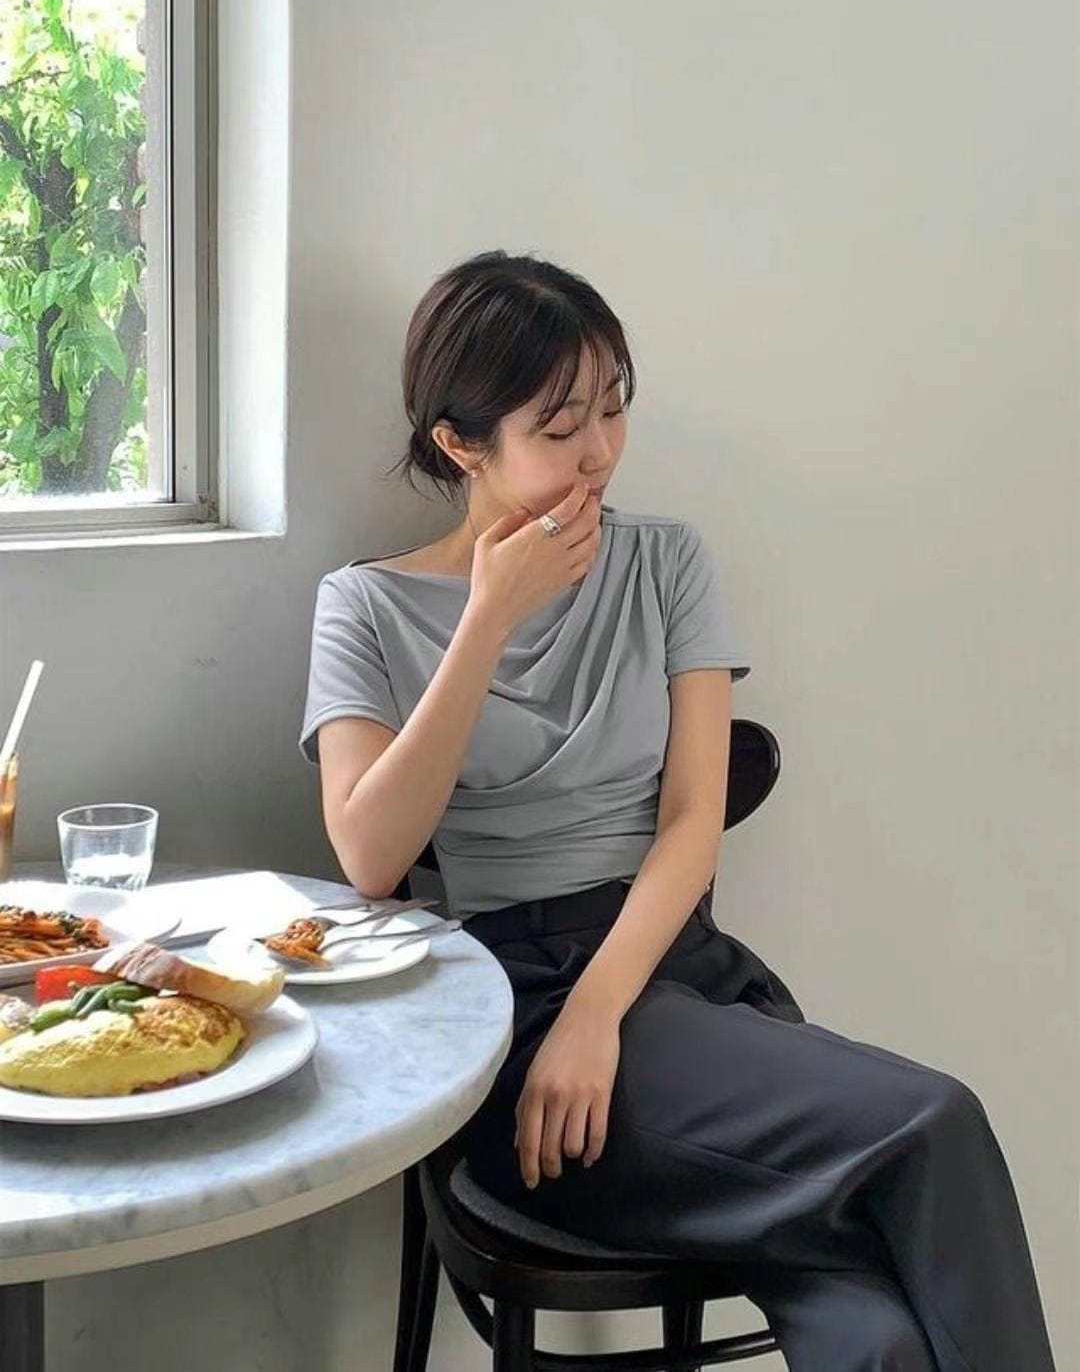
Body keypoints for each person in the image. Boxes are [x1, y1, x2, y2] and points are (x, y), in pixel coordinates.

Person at [299, 249, 1057, 1371]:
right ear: (462, 443)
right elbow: (370, 854)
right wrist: (487, 617)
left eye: (614, 409)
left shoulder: (666, 563)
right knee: (931, 1124)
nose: (601, 451)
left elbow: (693, 822)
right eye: (561, 427)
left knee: (877, 1327)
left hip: (673, 977)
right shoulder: (364, 604)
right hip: (509, 1008)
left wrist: (598, 1013)